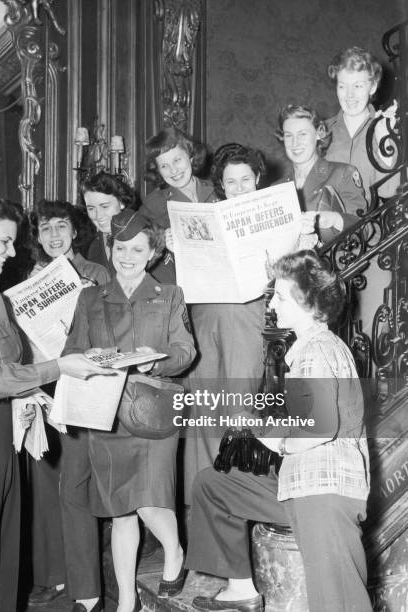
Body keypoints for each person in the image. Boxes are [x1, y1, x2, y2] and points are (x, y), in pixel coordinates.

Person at [0, 195, 110, 612]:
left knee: (1, 551)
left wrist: (28, 393)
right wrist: (58, 368)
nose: (11, 252)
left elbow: (6, 364)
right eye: (4, 242)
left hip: (0, 433)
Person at [185, 250, 371, 612]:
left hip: (324, 491)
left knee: (339, 602)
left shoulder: (316, 351)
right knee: (213, 484)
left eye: (282, 296)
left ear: (308, 303)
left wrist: (279, 441)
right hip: (306, 486)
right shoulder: (311, 348)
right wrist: (258, 425)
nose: (273, 303)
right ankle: (240, 589)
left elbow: (319, 430)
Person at [62, 209, 196, 612]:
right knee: (120, 511)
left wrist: (154, 360)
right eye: (121, 247)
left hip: (155, 409)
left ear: (152, 252)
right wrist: (92, 355)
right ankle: (125, 601)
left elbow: (186, 351)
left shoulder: (169, 295)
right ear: (111, 247)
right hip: (107, 412)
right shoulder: (90, 297)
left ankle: (173, 552)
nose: (127, 255)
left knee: (151, 500)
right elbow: (69, 352)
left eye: (138, 248)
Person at [25, 200, 110, 611]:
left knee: (73, 487)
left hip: (80, 387)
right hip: (40, 386)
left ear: (75, 231)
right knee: (44, 483)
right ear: (37, 236)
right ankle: (53, 575)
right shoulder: (30, 279)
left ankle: (86, 587)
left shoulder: (96, 274)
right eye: (45, 229)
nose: (54, 235)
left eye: (61, 226)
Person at [184, 143, 268, 502]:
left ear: (257, 179)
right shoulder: (204, 215)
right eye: (230, 181)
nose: (238, 188)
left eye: (245, 180)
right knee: (202, 412)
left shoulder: (270, 215)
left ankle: (238, 506)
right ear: (220, 183)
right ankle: (201, 512)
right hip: (205, 317)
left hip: (248, 317)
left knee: (239, 410)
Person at [276, 104, 367, 246]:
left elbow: (365, 230)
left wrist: (334, 219)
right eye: (289, 135)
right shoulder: (276, 189)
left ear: (319, 133)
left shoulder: (342, 173)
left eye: (302, 134)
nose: (295, 143)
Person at [139, 126, 217, 283]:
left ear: (191, 156)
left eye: (177, 160)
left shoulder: (217, 190)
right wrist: (161, 241)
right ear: (158, 170)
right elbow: (137, 250)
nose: (173, 170)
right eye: (164, 166)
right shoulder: (153, 204)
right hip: (181, 287)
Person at [326, 46, 398, 204]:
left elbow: (390, 191)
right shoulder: (323, 131)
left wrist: (383, 137)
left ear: (372, 87)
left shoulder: (385, 128)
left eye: (358, 86)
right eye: (343, 86)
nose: (349, 95)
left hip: (372, 226)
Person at [80, 170, 138, 275]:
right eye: (91, 208)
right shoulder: (91, 244)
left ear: (121, 202)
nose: (98, 215)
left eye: (105, 206)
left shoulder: (142, 235)